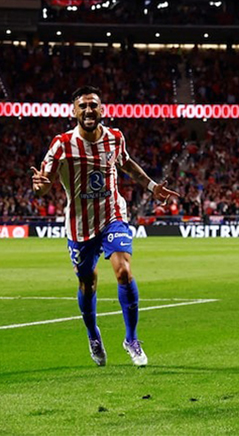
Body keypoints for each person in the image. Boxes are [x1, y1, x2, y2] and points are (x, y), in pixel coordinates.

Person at [30, 86, 180, 367]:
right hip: (79, 225)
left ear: (102, 109)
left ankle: (131, 339)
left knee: (123, 271)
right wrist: (38, 187)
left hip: (113, 215)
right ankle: (93, 334)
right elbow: (44, 183)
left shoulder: (115, 138)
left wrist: (151, 186)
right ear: (73, 111)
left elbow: (127, 164)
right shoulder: (62, 144)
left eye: (94, 105)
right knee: (88, 282)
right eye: (83, 106)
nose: (89, 110)